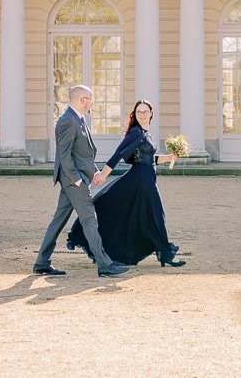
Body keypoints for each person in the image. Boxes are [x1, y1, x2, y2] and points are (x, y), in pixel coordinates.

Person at [66, 98, 186, 268]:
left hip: (147, 179)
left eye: (145, 112)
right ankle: (166, 254)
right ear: (135, 115)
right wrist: (103, 175)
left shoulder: (146, 133)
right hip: (140, 180)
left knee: (145, 216)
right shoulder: (136, 132)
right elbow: (118, 154)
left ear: (151, 113)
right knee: (156, 215)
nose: (142, 115)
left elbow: (149, 159)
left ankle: (161, 253)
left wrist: (169, 157)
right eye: (139, 112)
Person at [33, 85, 130, 278]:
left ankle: (42, 262)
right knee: (89, 219)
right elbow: (64, 155)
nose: (92, 103)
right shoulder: (68, 121)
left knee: (59, 219)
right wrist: (77, 179)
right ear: (82, 100)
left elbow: (83, 154)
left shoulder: (79, 119)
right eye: (91, 99)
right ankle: (104, 264)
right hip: (73, 180)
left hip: (76, 178)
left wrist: (94, 172)